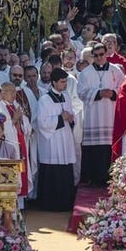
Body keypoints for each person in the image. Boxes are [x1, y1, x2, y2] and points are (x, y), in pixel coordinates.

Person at [76, 44, 122, 187]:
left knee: (109, 148)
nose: (99, 57)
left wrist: (113, 93)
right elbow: (81, 92)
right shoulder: (86, 73)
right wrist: (98, 93)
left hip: (111, 115)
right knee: (95, 150)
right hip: (93, 117)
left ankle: (112, 178)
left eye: (101, 54)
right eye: (95, 55)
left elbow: (124, 89)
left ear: (106, 53)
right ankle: (95, 179)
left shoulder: (116, 71)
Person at [36, 68, 78, 211]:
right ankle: (51, 204)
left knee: (65, 170)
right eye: (62, 82)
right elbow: (42, 122)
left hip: (65, 138)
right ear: (54, 82)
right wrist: (61, 118)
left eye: (66, 81)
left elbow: (71, 114)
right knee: (52, 171)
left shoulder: (66, 96)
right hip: (52, 141)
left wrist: (71, 118)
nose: (65, 84)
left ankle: (66, 202)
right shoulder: (44, 99)